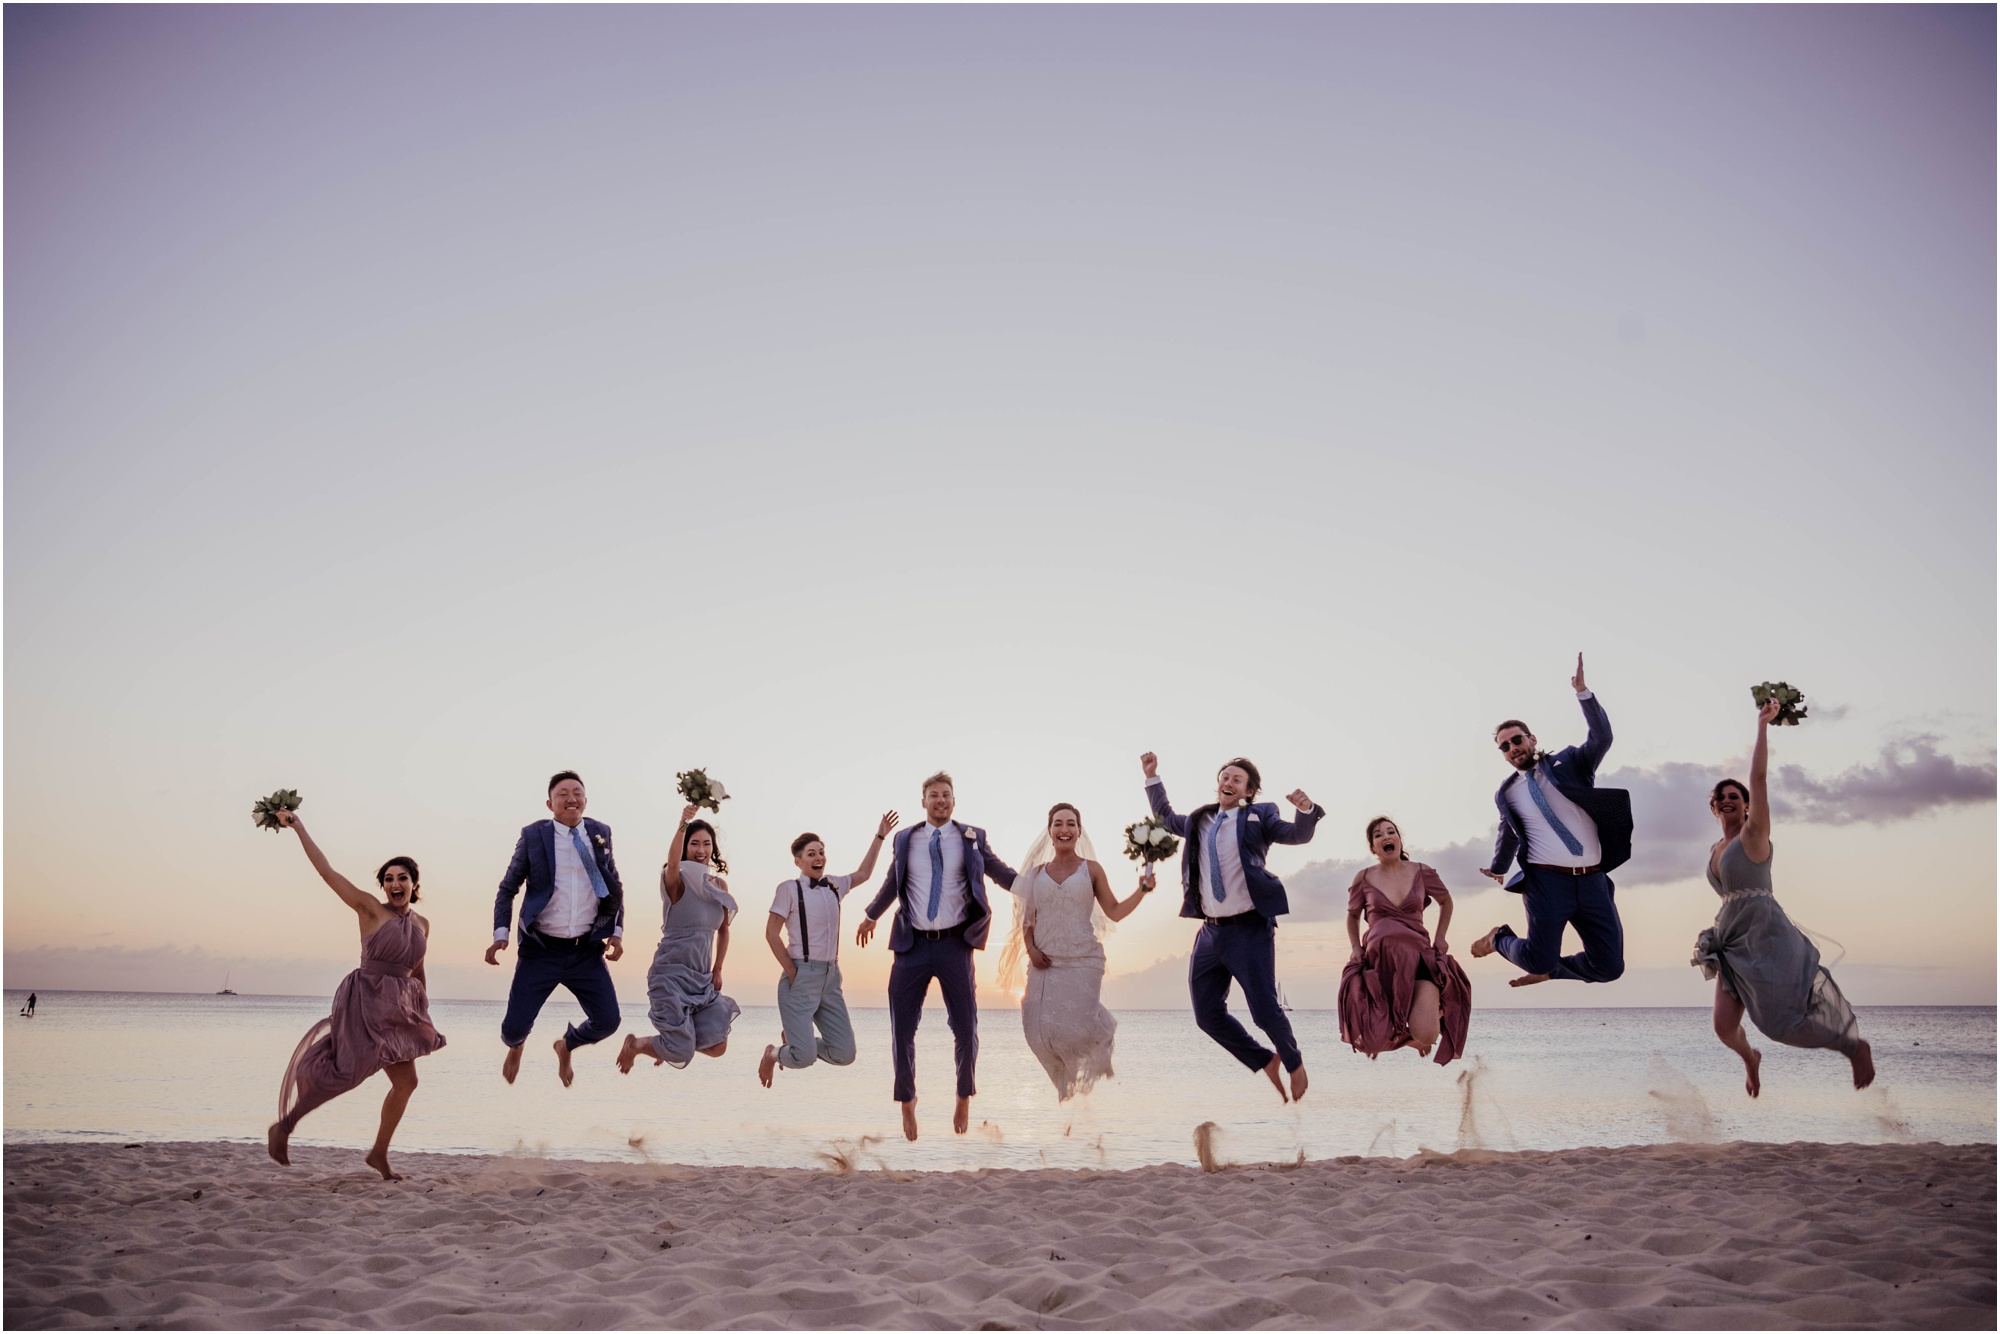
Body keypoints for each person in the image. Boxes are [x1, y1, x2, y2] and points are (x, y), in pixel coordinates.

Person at [1693, 698, 1875, 1094]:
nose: (1728, 800)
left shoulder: (1754, 837)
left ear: (1745, 807)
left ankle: (1852, 1046)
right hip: (1729, 943)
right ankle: (1750, 1059)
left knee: (1779, 1025)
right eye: (1721, 797)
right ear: (1714, 807)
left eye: (1735, 797)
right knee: (1723, 1028)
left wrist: (1761, 725)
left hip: (1764, 937)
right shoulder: (1714, 850)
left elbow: (1758, 779)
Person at [266, 808, 445, 1181]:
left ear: (415, 884)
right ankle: (286, 1124)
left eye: (403, 878)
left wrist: (421, 1013)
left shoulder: (423, 925)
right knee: (346, 1073)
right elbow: (327, 872)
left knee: (407, 1082)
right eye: (389, 879)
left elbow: (417, 970)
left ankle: (378, 1154)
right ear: (382, 887)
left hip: (398, 1012)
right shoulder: (369, 909)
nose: (395, 884)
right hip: (364, 1002)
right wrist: (299, 827)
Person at [1140, 751, 1323, 1103]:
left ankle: (1294, 1061)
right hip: (1210, 933)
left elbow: (1297, 835)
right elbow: (1165, 817)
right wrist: (1152, 776)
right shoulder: (1200, 820)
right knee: (1207, 1015)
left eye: (1237, 779)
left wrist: (1306, 810)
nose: (1228, 782)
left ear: (1248, 791)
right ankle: (1264, 1060)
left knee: (1264, 1011)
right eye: (1225, 776)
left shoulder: (1260, 815)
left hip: (1249, 929)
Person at [857, 771, 1018, 1142]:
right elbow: (891, 884)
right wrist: (870, 915)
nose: (940, 800)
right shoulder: (904, 838)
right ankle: (907, 1101)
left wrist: (1033, 887)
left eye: (946, 795)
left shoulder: (972, 837)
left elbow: (999, 872)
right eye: (934, 795)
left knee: (965, 1026)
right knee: (902, 1029)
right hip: (910, 945)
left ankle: (963, 1095)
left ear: (954, 801)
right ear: (924, 801)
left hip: (955, 944)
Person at [1470, 655, 1634, 987]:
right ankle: (1499, 938)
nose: (1513, 747)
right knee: (1537, 956)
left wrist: (1583, 693)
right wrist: (1499, 867)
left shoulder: (1572, 762)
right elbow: (1510, 831)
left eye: (1517, 739)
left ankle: (1551, 971)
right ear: (1503, 754)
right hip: (1547, 883)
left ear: (1532, 739)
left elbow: (1602, 738)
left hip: (1592, 881)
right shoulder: (1508, 793)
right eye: (1505, 746)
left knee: (1609, 967)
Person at [997, 803, 1156, 1101]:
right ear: (1050, 832)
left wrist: (1142, 890)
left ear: (1079, 831)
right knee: (1036, 1029)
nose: (1064, 829)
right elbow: (1027, 919)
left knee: (1079, 1026)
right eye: (1058, 824)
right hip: (1044, 962)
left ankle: (1084, 1071)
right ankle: (1066, 1081)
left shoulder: (1091, 870)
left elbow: (1115, 912)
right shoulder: (1036, 873)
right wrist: (1030, 949)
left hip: (1084, 960)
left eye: (1071, 824)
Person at [486, 771, 625, 1087]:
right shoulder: (535, 835)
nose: (571, 798)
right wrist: (500, 935)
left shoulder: (599, 834)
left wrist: (615, 932)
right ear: (550, 803)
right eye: (563, 793)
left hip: (585, 952)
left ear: (585, 800)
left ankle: (566, 1045)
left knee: (608, 1021)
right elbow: (508, 887)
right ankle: (517, 1046)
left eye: (577, 792)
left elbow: (612, 886)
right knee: (512, 1030)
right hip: (541, 950)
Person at [756, 812, 899, 1087]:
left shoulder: (834, 885)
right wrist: (792, 972)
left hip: (831, 978)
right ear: (798, 861)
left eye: (821, 852)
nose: (818, 857)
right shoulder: (788, 889)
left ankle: (800, 1040)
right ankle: (774, 1054)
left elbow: (864, 874)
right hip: (800, 975)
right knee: (803, 1058)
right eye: (811, 854)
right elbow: (771, 934)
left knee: (845, 1053)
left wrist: (880, 835)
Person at [617, 808, 740, 1073]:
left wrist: (718, 968)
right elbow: (672, 863)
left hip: (701, 980)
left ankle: (668, 1043)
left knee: (718, 1047)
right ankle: (636, 1045)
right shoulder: (676, 879)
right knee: (682, 1054)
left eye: (707, 844)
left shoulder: (719, 886)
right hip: (670, 976)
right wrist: (683, 823)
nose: (701, 849)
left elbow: (724, 931)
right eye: (694, 843)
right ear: (684, 847)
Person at [1338, 817, 1471, 1063]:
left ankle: (1431, 1014)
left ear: (1399, 840)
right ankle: (1403, 1033)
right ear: (1373, 847)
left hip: (1419, 957)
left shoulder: (1422, 871)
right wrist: (1355, 947)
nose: (1386, 837)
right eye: (1378, 835)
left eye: (1391, 832)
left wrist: (1441, 937)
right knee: (1371, 1042)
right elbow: (1353, 917)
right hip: (1380, 963)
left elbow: (1446, 902)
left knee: (1428, 1035)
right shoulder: (1363, 878)